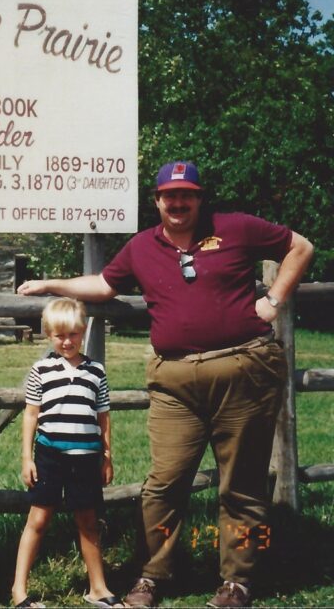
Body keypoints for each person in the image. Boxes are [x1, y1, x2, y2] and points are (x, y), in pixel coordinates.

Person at [18, 161, 314, 608]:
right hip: (174, 381)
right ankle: (154, 574)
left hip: (245, 371)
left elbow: (301, 247)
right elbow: (102, 283)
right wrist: (49, 284)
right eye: (169, 196)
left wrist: (273, 300)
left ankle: (238, 581)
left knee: (244, 485)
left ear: (199, 198)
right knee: (163, 484)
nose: (178, 203)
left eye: (187, 195)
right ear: (157, 201)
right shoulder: (142, 246)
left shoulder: (235, 227)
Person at [11, 299, 119, 609]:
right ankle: (19, 588)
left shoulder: (95, 371)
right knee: (39, 519)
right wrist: (27, 457)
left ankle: (98, 587)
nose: (67, 342)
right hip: (49, 456)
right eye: (59, 336)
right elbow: (31, 415)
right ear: (48, 334)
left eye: (73, 334)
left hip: (86, 457)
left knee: (88, 520)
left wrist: (107, 455)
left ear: (83, 331)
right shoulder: (41, 369)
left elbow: (103, 418)